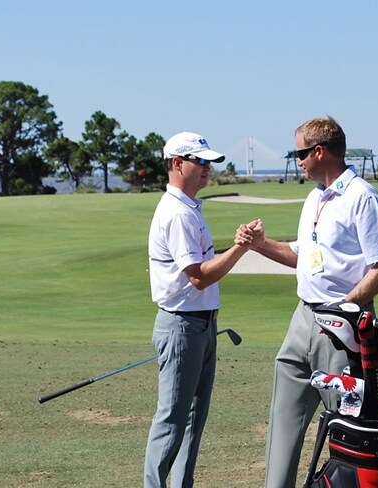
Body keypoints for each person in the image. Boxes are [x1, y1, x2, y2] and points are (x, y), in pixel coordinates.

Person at [242, 116, 378, 487]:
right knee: (283, 423)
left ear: (319, 152)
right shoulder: (315, 196)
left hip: (344, 328)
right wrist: (260, 245)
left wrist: (343, 310)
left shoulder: (363, 197)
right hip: (302, 319)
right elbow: (302, 255)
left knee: (349, 431)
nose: (296, 160)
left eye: (299, 153)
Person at [144, 131, 263, 488]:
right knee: (171, 421)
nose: (207, 168)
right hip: (182, 327)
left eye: (208, 162)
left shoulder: (189, 209)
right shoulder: (177, 214)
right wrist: (241, 247)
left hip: (201, 326)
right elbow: (198, 277)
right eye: (200, 161)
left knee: (193, 422)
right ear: (177, 164)